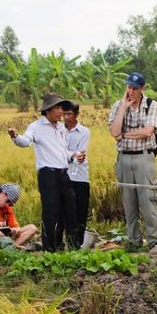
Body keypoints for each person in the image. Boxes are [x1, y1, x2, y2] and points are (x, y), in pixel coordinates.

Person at [8, 94, 83, 251]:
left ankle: (73, 246)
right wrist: (15, 136)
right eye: (58, 108)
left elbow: (63, 151)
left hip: (63, 173)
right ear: (48, 110)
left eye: (62, 108)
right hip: (48, 175)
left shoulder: (61, 128)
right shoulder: (36, 127)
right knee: (51, 212)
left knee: (70, 209)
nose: (61, 112)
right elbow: (25, 141)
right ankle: (50, 248)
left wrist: (74, 155)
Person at [109, 72, 157, 250]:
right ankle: (133, 241)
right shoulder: (118, 106)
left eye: (135, 88)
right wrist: (123, 108)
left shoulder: (151, 105)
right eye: (129, 87)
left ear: (142, 89)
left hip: (144, 157)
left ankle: (154, 241)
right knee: (128, 202)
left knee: (148, 200)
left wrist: (124, 134)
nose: (131, 91)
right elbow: (113, 132)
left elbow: (147, 132)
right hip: (124, 158)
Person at [63, 101, 91, 247]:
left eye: (69, 114)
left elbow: (80, 156)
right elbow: (56, 152)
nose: (66, 117)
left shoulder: (84, 132)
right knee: (65, 212)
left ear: (76, 115)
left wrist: (68, 156)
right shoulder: (58, 130)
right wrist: (71, 155)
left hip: (79, 177)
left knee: (80, 211)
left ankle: (77, 244)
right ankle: (67, 242)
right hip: (63, 176)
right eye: (64, 114)